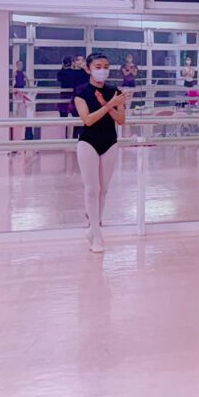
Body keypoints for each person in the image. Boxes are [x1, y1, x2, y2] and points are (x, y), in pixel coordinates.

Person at [73, 53, 131, 253]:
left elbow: (121, 120)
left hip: (109, 142)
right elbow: (88, 120)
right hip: (88, 142)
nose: (103, 70)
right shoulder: (81, 92)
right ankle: (97, 234)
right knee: (92, 189)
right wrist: (108, 105)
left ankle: (93, 227)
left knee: (103, 189)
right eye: (98, 66)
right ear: (88, 69)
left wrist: (110, 104)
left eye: (106, 66)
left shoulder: (115, 92)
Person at [12, 60, 34, 141]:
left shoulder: (23, 73)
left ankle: (21, 112)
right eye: (19, 65)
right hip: (17, 88)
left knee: (22, 101)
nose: (20, 66)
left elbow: (27, 80)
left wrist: (28, 87)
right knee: (18, 101)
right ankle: (17, 113)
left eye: (21, 65)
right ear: (16, 65)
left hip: (22, 88)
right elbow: (13, 80)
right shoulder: (15, 72)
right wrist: (13, 88)